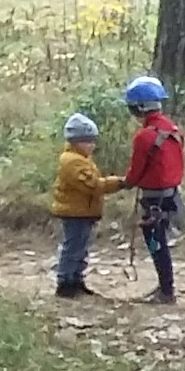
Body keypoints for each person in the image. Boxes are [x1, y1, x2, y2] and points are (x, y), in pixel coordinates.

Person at [119, 77, 185, 306]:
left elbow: (135, 171)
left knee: (157, 243)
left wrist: (125, 183)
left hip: (153, 198)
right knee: (161, 241)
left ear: (139, 107)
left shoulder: (144, 136)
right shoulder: (174, 130)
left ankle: (166, 290)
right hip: (171, 196)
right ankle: (165, 287)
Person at [49, 113, 117, 299]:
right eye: (87, 141)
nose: (92, 145)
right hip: (74, 212)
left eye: (93, 141)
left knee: (81, 247)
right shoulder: (72, 161)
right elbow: (93, 185)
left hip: (83, 212)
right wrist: (119, 183)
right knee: (73, 247)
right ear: (75, 141)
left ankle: (76, 279)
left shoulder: (80, 159)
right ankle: (65, 282)